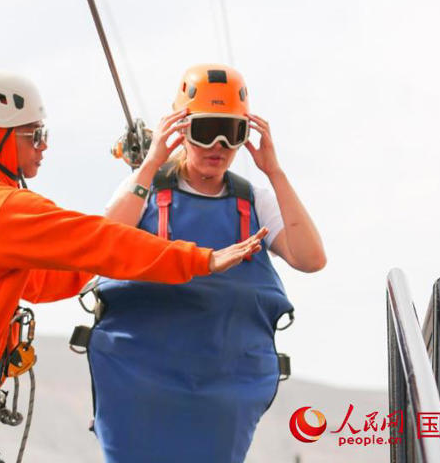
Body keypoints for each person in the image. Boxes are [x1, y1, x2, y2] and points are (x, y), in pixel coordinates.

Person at [0, 70, 269, 463]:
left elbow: (46, 282)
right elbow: (99, 241)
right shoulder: (0, 208)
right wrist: (201, 259)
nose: (44, 146)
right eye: (34, 135)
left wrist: (97, 257)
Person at [86, 64, 326, 463]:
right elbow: (100, 245)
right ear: (180, 129)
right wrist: (150, 164)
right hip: (138, 387)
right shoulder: (145, 189)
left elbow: (310, 258)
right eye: (204, 130)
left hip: (223, 393)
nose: (217, 146)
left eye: (231, 132)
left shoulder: (255, 200)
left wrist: (275, 171)